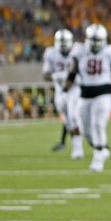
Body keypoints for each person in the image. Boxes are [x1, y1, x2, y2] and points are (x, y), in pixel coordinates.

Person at [65, 23, 111, 172]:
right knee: (85, 129)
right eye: (92, 39)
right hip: (84, 95)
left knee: (98, 125)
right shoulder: (79, 51)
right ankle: (102, 150)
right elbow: (72, 72)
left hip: (103, 93)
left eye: (97, 40)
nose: (94, 43)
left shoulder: (110, 52)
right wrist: (65, 90)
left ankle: (97, 159)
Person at [42, 29, 84, 159]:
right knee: (68, 120)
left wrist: (75, 77)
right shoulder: (51, 53)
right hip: (60, 91)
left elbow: (84, 70)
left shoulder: (77, 51)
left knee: (73, 116)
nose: (64, 44)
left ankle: (78, 149)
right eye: (61, 41)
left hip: (74, 88)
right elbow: (45, 75)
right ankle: (75, 144)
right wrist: (56, 77)